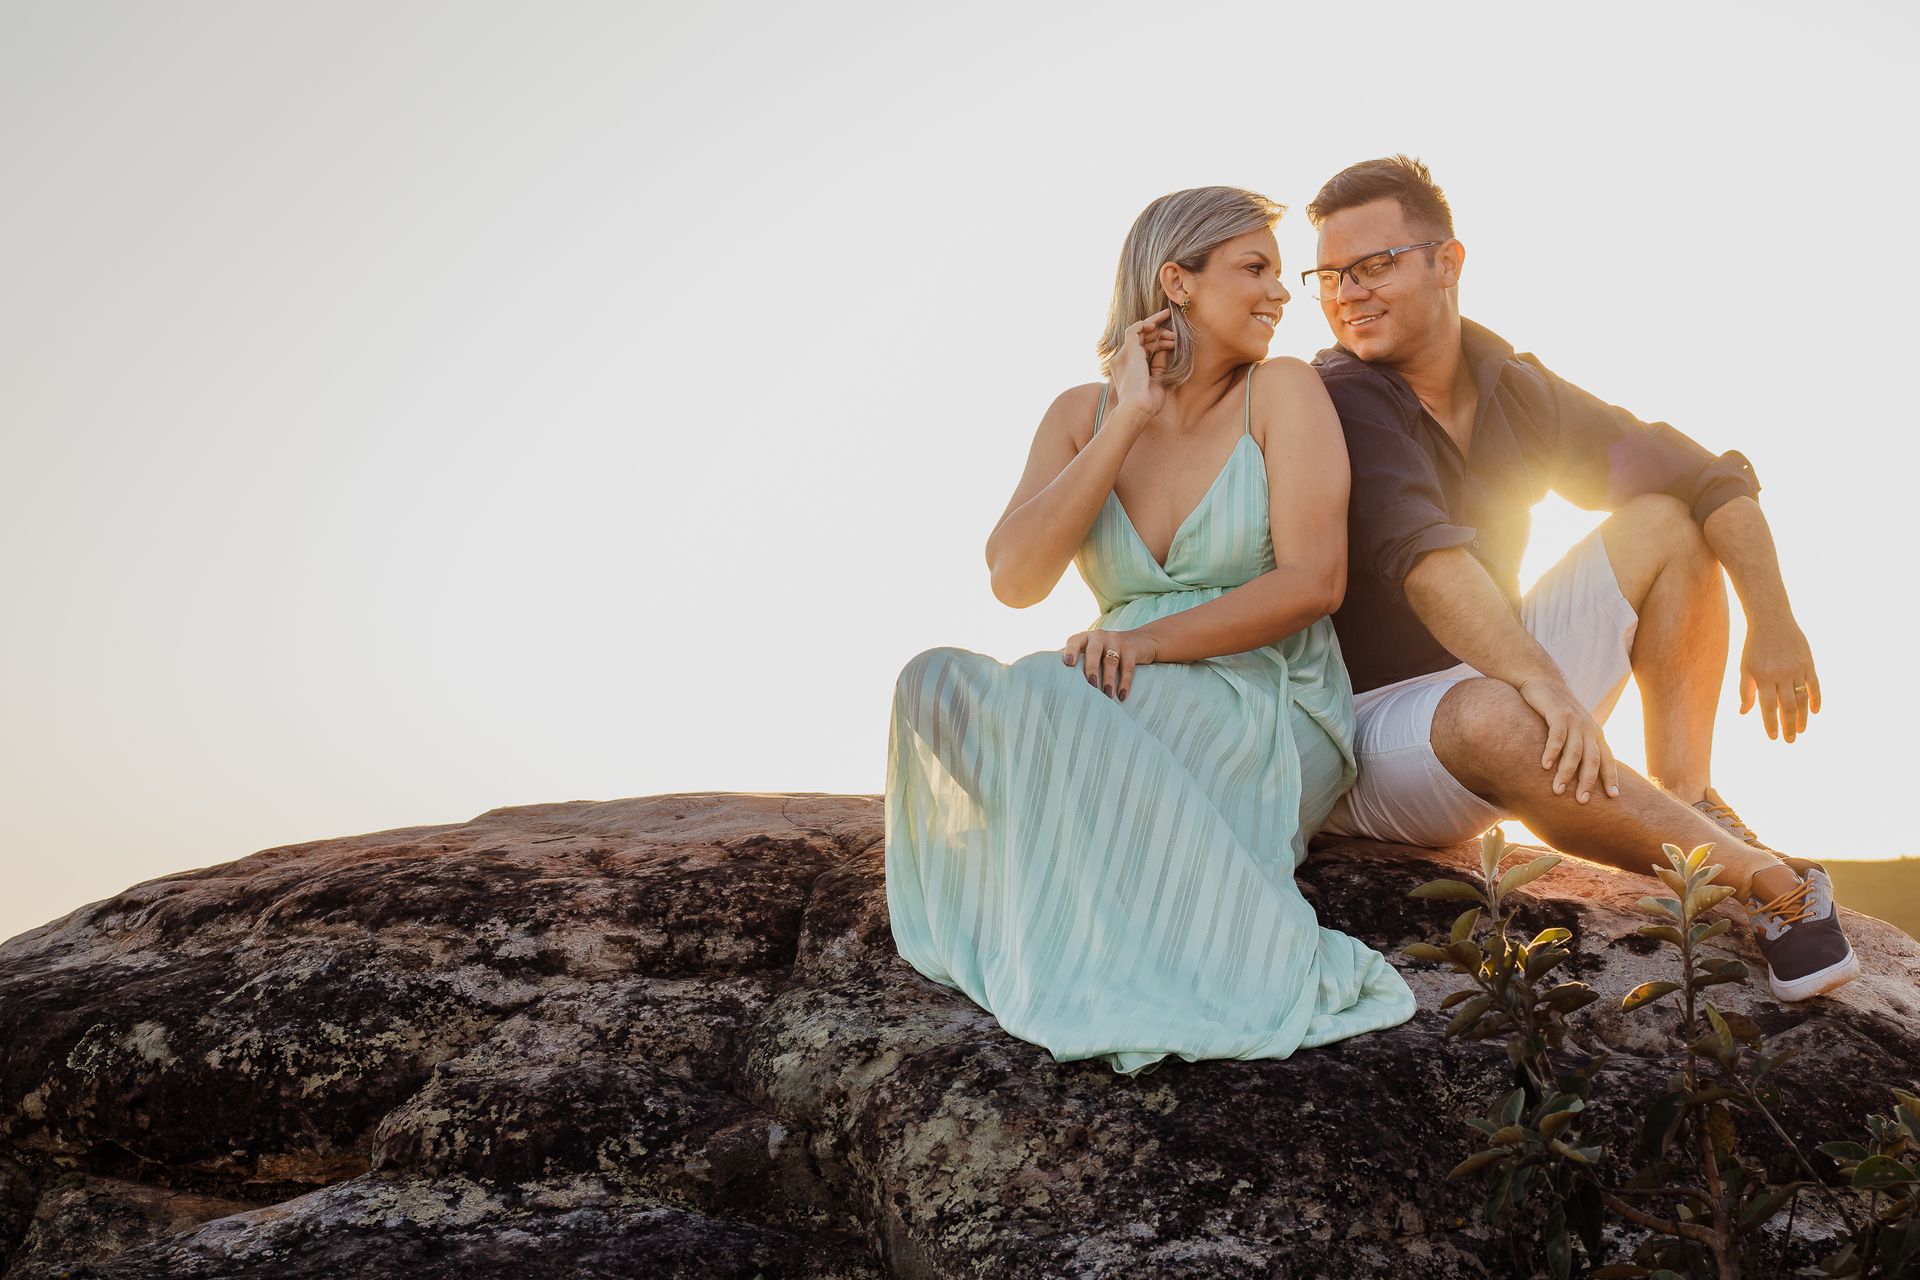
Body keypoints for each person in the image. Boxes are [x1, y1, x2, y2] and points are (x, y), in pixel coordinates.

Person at [883, 186, 1417, 1076]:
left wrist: (1148, 643)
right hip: (1117, 687)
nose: (1281, 293)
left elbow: (1312, 583)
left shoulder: (1282, 392)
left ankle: (1092, 875)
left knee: (1054, 696)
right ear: (1177, 280)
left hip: (1262, 687)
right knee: (930, 681)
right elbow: (1016, 579)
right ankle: (1081, 845)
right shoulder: (1078, 416)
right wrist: (1126, 415)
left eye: (1280, 273)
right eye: (1255, 269)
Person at [1300, 155, 1858, 1002]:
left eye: (1375, 264)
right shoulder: (1339, 393)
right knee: (1499, 711)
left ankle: (1688, 801)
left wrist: (1773, 621)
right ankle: (1768, 882)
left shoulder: (1513, 385)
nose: (1350, 292)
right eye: (1329, 274)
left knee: (1665, 524)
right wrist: (1540, 681)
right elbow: (1425, 563)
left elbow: (1706, 479)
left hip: (1484, 677)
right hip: (1356, 731)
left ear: (1447, 262)